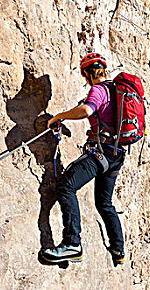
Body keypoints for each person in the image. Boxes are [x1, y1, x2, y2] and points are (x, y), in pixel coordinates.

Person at [42, 52, 125, 266]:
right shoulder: (116, 91)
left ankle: (72, 244)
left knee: (66, 186)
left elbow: (87, 109)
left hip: (101, 152)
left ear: (87, 73)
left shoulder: (98, 89)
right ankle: (118, 249)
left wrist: (59, 116)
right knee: (104, 203)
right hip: (117, 154)